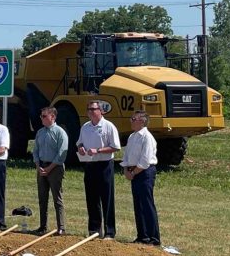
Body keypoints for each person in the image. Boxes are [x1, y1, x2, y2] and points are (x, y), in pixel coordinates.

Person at [76, 100, 121, 239]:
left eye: (93, 109)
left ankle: (110, 231)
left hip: (104, 164)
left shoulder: (108, 126)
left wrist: (99, 150)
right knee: (91, 197)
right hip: (90, 164)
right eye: (88, 109)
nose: (90, 112)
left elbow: (115, 147)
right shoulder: (85, 127)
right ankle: (94, 230)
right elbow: (80, 142)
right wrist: (81, 148)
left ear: (101, 111)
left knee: (106, 198)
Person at [121, 111, 161, 245]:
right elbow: (126, 155)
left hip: (144, 172)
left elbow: (145, 159)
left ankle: (153, 238)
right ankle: (142, 236)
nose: (131, 121)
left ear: (142, 121)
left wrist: (134, 172)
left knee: (147, 204)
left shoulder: (147, 137)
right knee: (137, 204)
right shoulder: (132, 137)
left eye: (133, 119)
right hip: (134, 172)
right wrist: (126, 169)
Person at [32, 106, 68, 236]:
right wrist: (38, 166)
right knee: (42, 198)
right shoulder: (40, 132)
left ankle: (61, 227)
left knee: (57, 198)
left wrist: (49, 168)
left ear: (52, 117)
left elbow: (61, 154)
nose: (41, 118)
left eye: (44, 116)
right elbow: (35, 150)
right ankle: (43, 226)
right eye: (41, 116)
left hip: (55, 168)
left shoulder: (60, 132)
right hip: (41, 167)